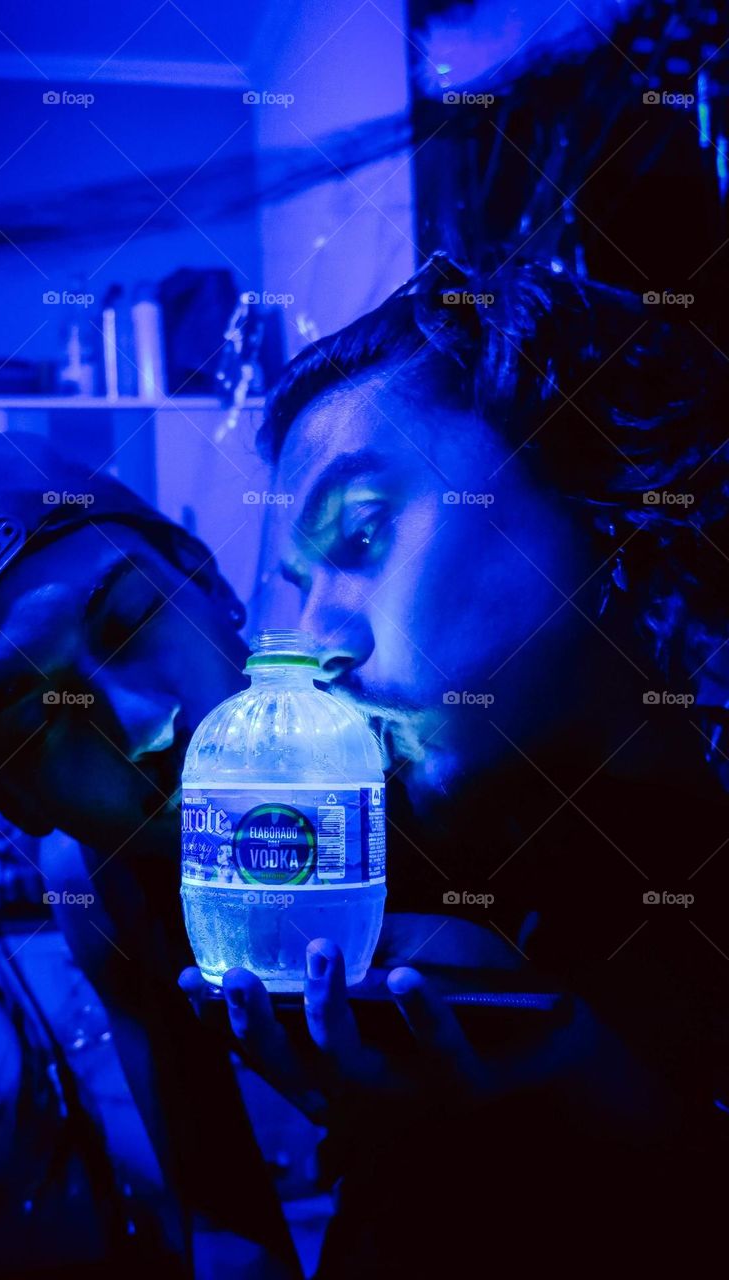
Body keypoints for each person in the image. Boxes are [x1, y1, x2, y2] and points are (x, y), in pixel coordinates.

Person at [187, 251, 729, 1273]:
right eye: (297, 587)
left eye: (362, 530)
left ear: (595, 473)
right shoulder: (463, 865)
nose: (319, 642)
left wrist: (590, 1087)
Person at [0, 432, 299, 1278]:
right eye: (36, 720)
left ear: (210, 580)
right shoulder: (101, 885)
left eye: (130, 623)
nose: (143, 726)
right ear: (16, 799)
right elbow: (226, 1224)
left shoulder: (432, 736)